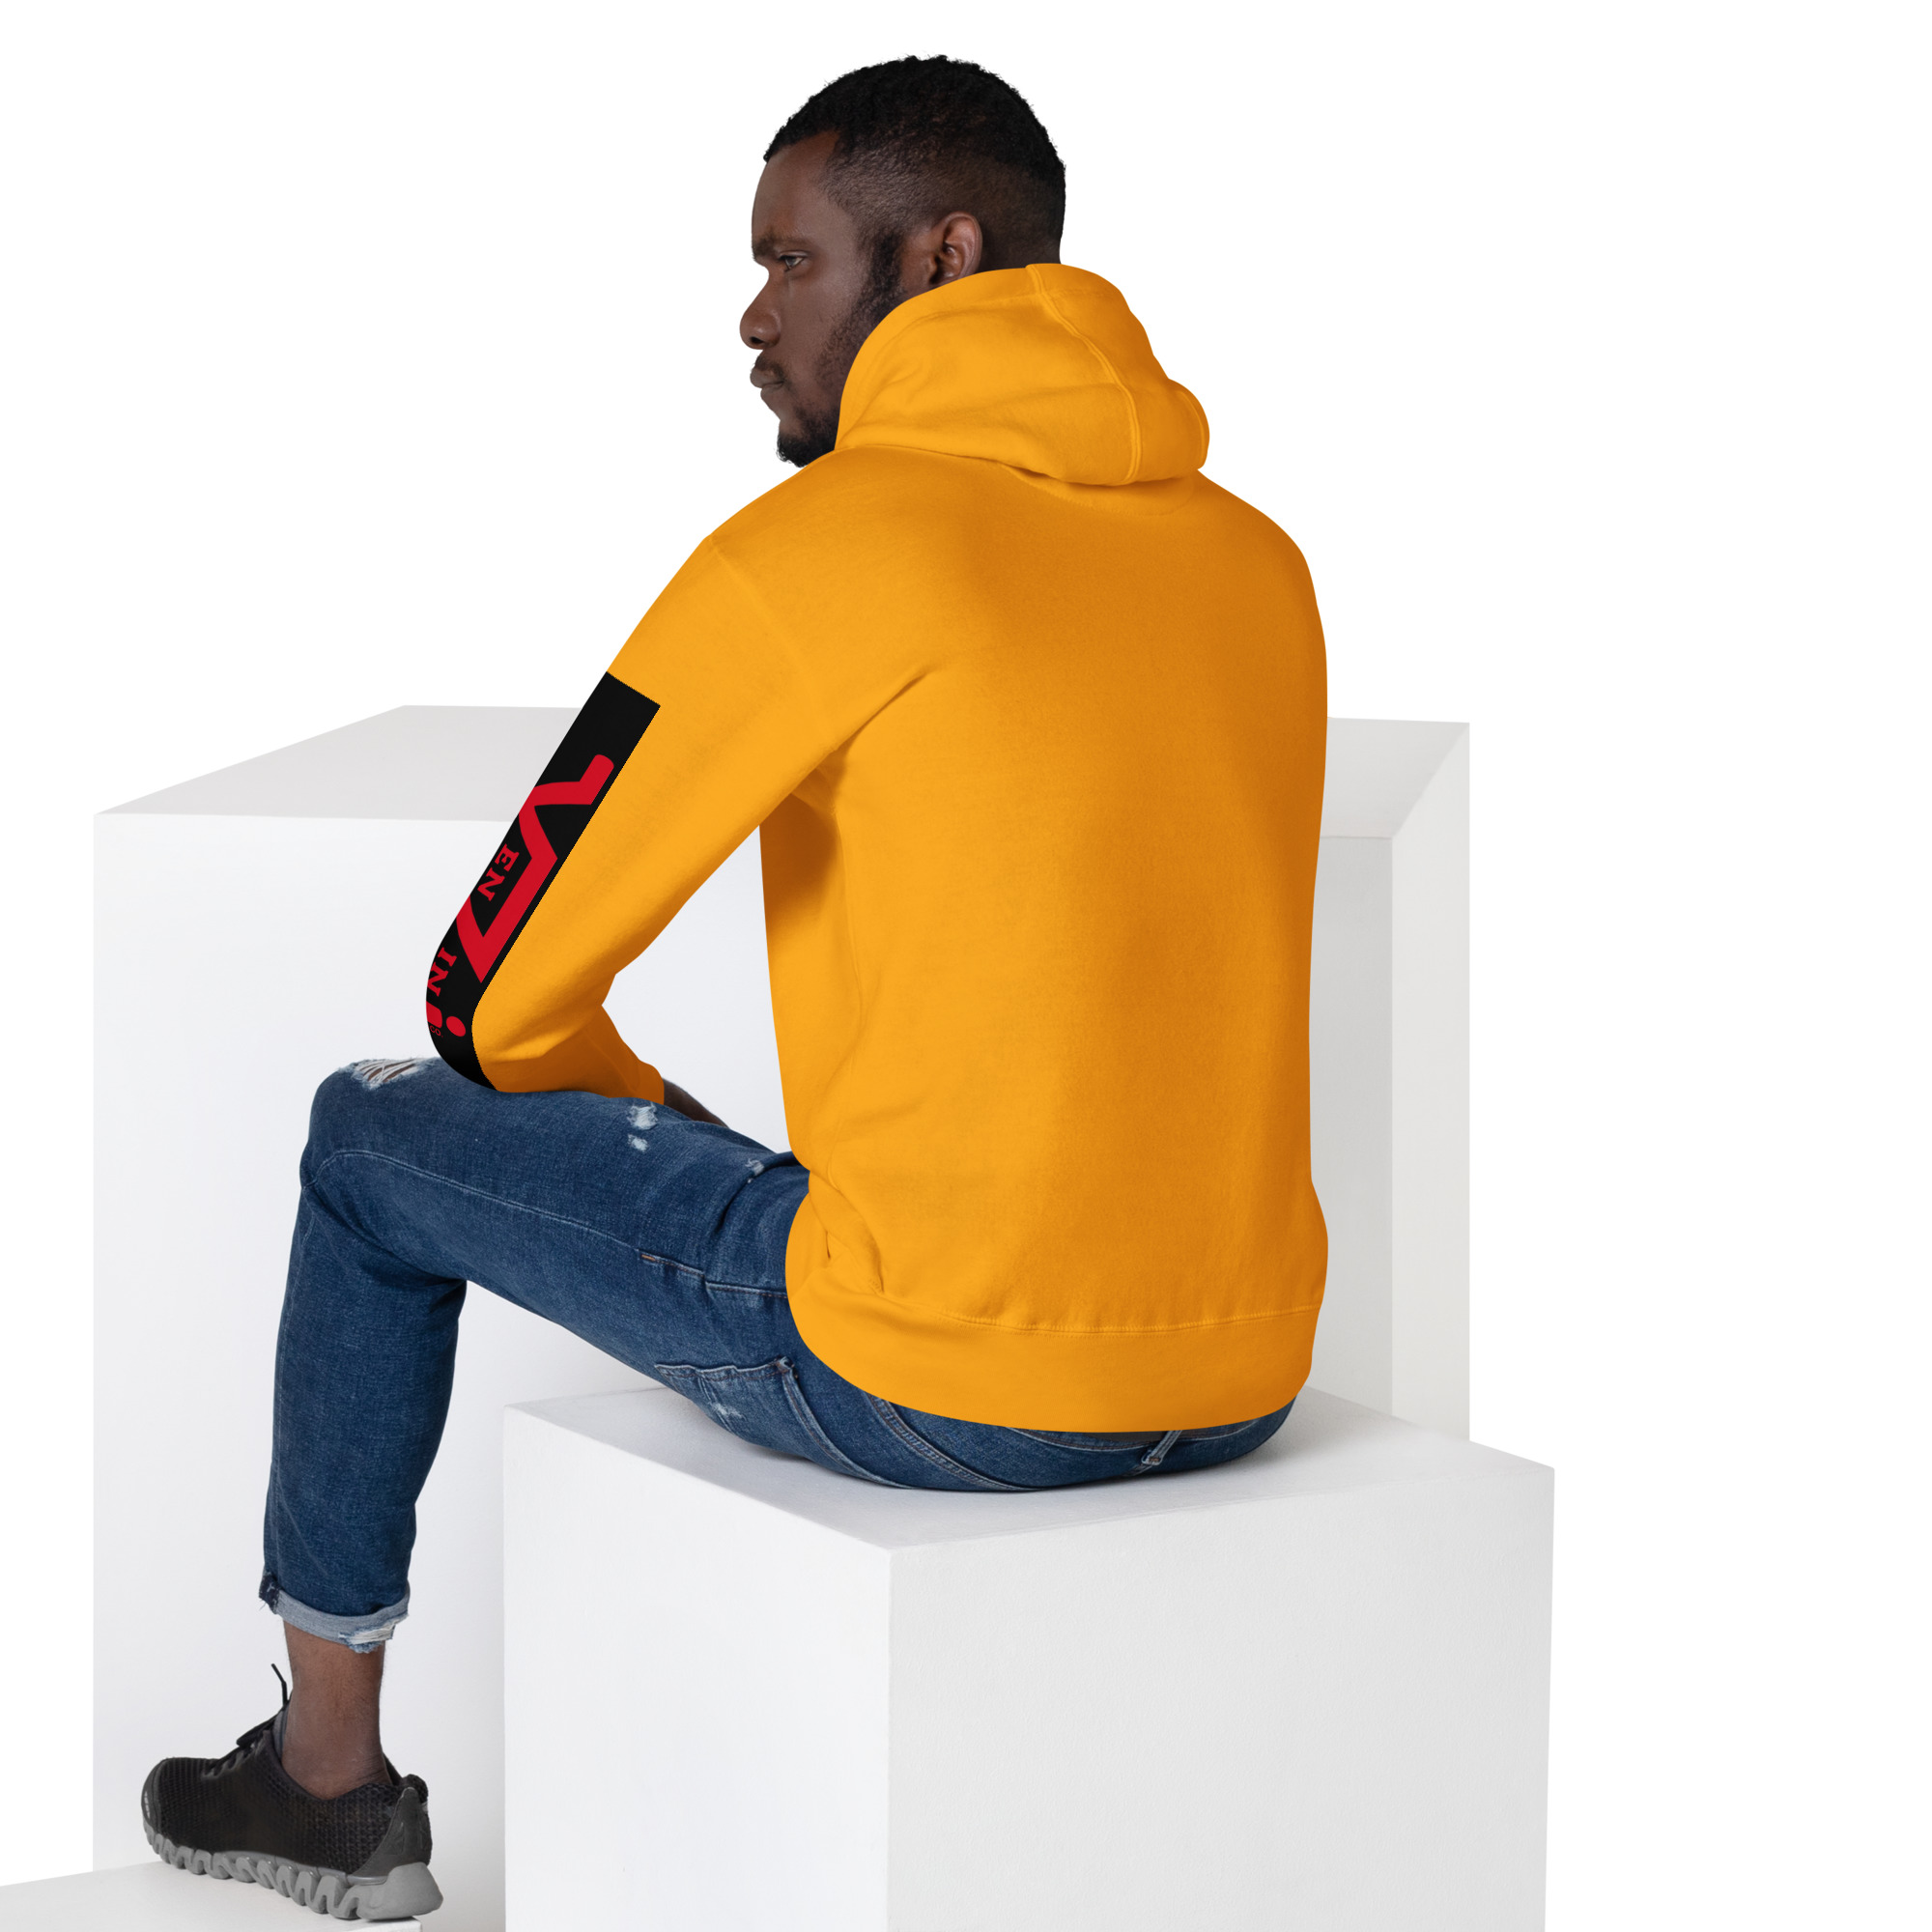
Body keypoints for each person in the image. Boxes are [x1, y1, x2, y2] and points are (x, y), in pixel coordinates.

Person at [140, 54, 1330, 1918]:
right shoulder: (1259, 561)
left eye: (791, 260)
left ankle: (326, 1784)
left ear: (940, 257)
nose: (754, 316)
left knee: (364, 1139)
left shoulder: (830, 544)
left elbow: (487, 987)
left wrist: (664, 1125)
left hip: (939, 1379)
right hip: (1246, 1365)